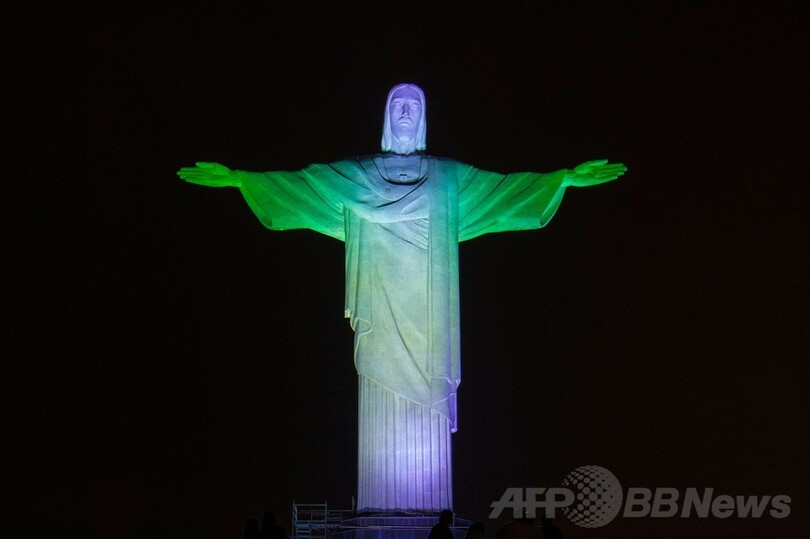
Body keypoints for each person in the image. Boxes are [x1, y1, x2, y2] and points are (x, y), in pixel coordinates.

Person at [179, 83, 625, 513]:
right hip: (380, 317)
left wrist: (562, 179)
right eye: (398, 104)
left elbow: (505, 191)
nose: (407, 111)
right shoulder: (359, 173)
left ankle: (429, 517)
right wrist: (241, 180)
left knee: (427, 428)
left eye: (414, 104)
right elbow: (303, 186)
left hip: (430, 324)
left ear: (425, 116)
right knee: (378, 408)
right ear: (387, 117)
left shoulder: (449, 178)